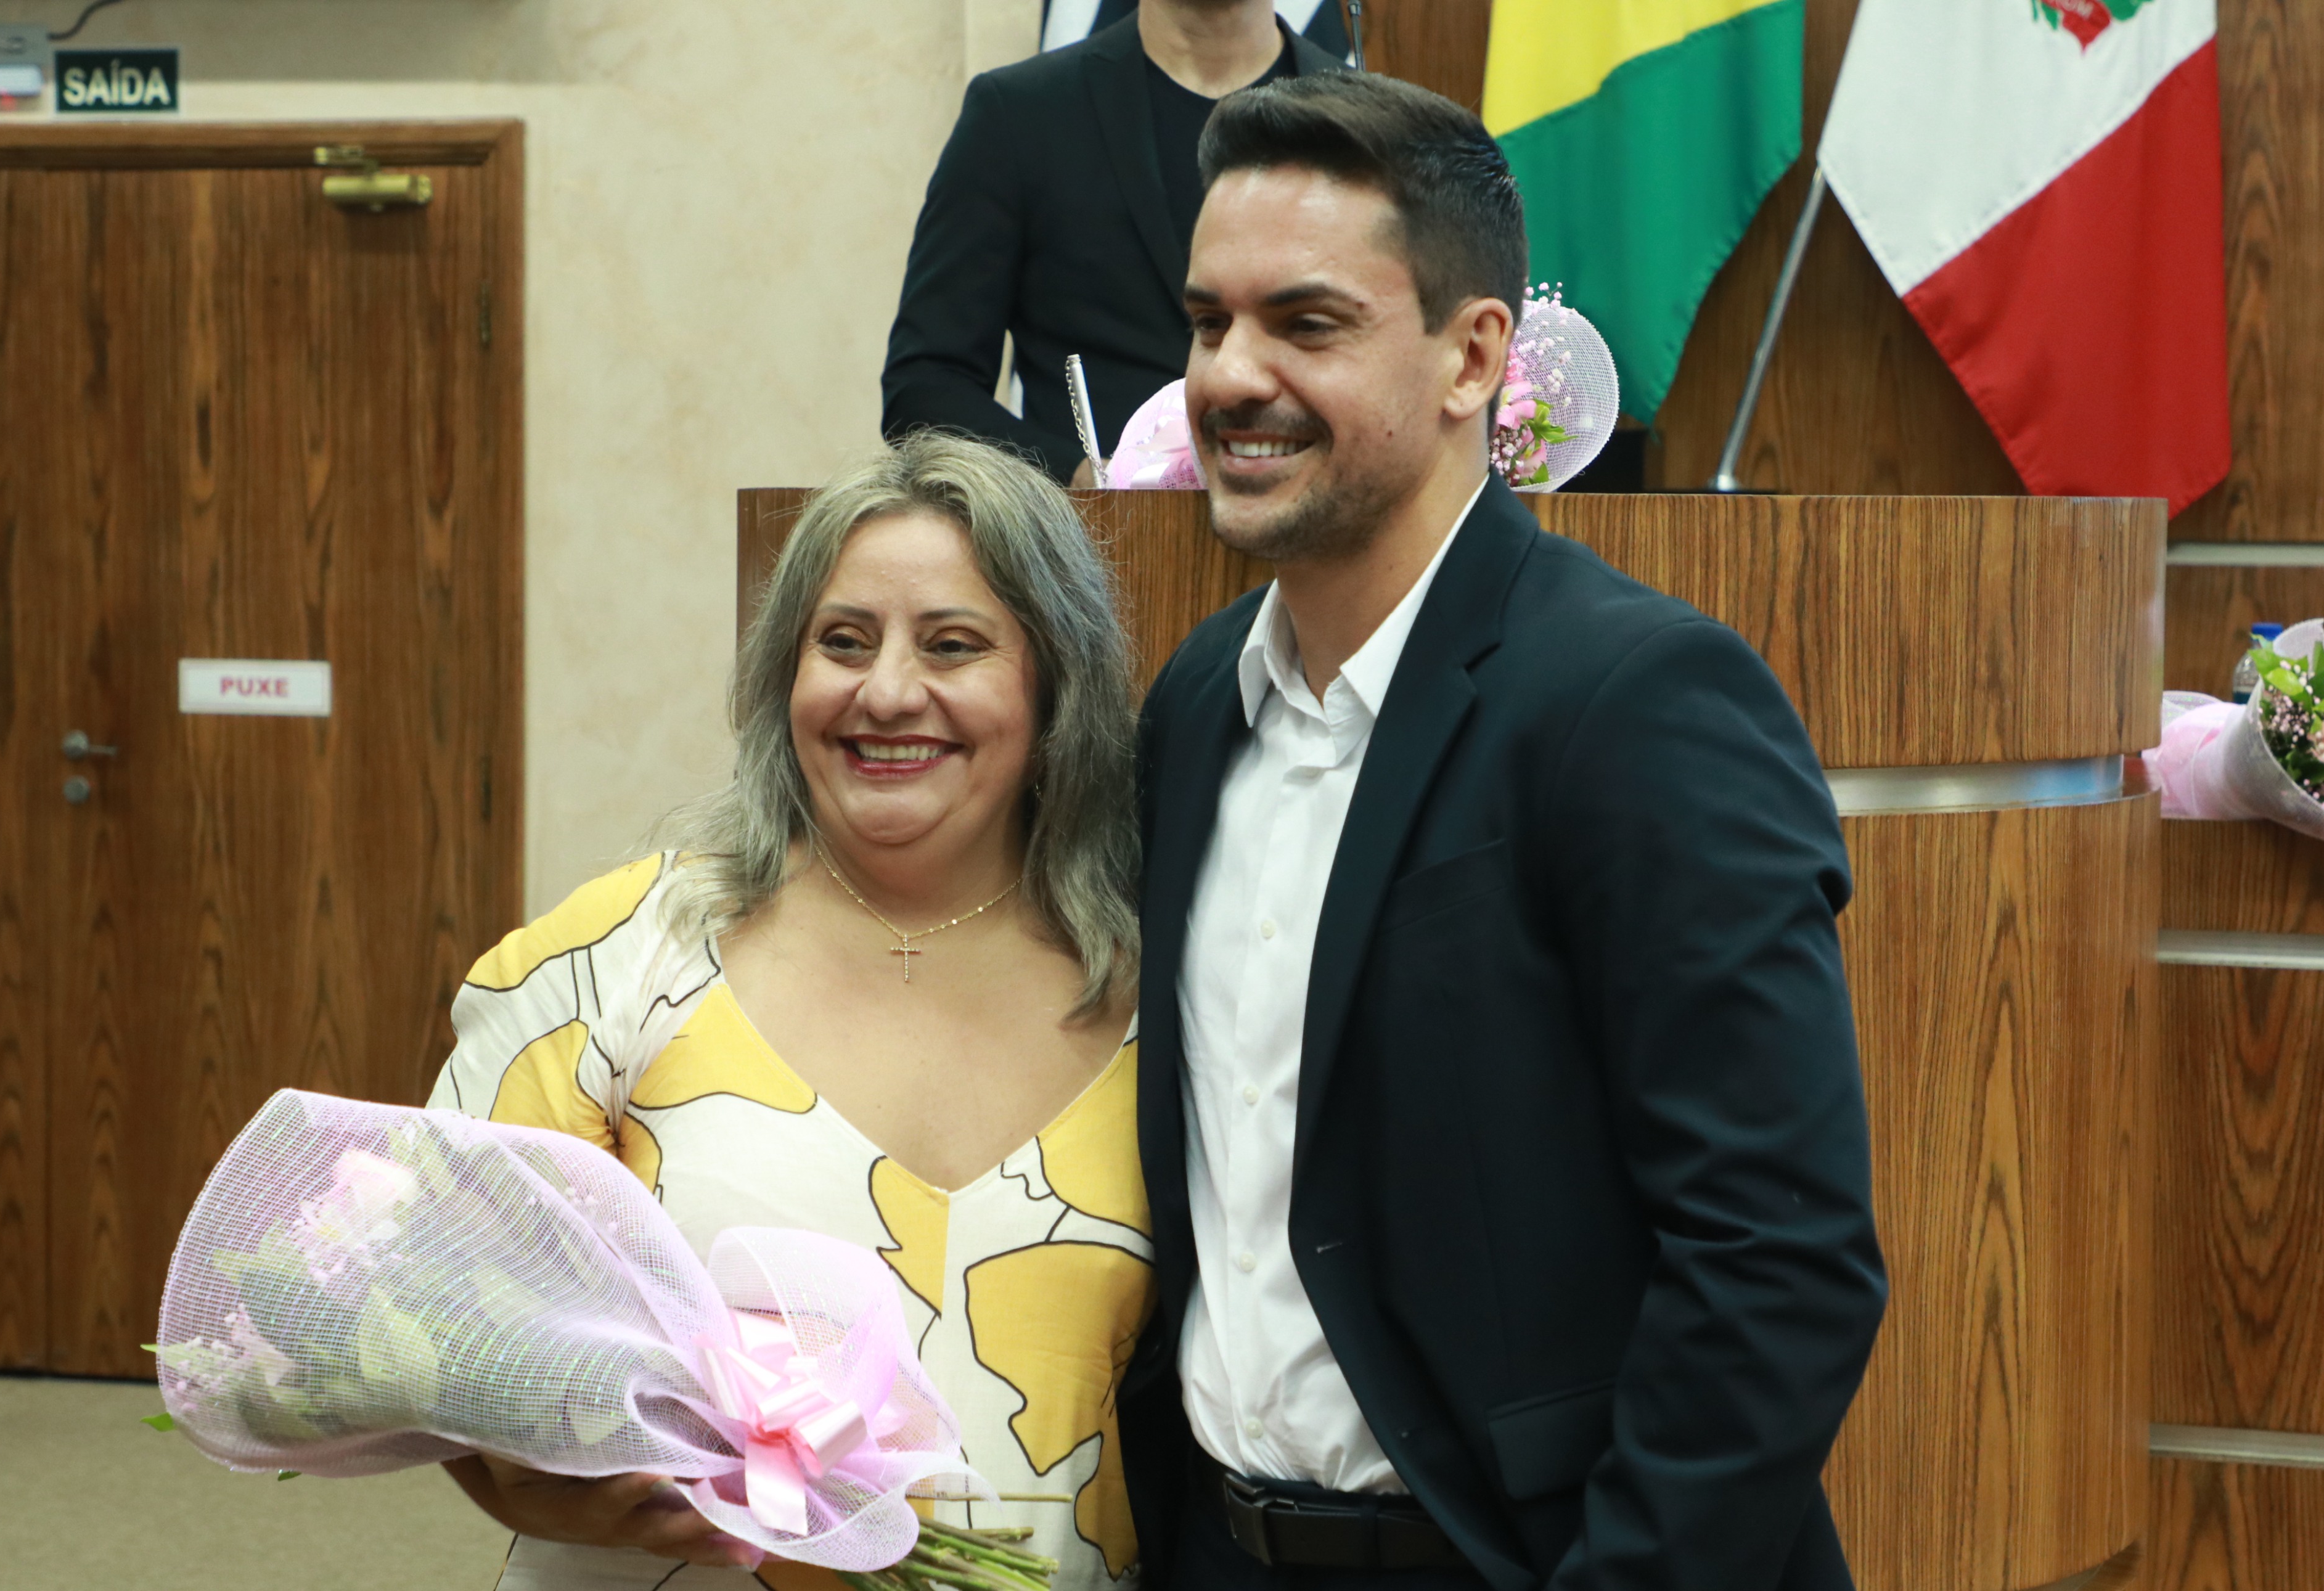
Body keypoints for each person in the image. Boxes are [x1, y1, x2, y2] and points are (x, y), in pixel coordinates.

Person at [1123, 73, 1889, 1590]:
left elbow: (1778, 1260)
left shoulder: (1642, 699)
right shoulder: (1198, 701)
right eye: (1209, 322)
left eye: (1307, 323)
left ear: (1474, 356)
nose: (1231, 375)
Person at [430, 433, 1155, 1589]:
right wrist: (590, 1488)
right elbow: (441, 1340)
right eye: (843, 642)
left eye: (953, 644)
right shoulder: (614, 961)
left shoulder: (1157, 997)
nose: (887, 692)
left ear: (1054, 684)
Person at [881, 0, 1344, 486]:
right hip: (1089, 528)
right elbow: (925, 388)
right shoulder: (1020, 112)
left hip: (1321, 514)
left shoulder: (1367, 123)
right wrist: (1078, 477)